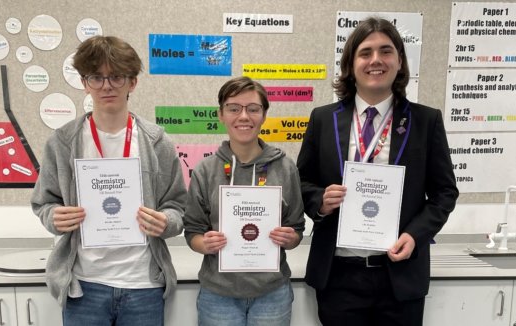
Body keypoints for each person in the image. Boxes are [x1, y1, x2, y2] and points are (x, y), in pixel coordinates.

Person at [296, 17, 459, 326]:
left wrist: (415, 235)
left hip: (399, 275)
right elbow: (301, 181)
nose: (375, 60)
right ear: (351, 63)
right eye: (365, 52)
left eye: (385, 51)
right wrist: (320, 199)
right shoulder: (322, 119)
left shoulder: (426, 121)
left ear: (399, 61)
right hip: (339, 274)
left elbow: (444, 193)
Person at [31, 36, 187, 326]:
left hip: (143, 285)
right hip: (84, 286)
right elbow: (44, 203)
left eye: (116, 76)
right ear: (84, 82)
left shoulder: (156, 142)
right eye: (96, 77)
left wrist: (165, 222)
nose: (106, 86)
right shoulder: (63, 142)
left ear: (132, 82)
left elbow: (178, 207)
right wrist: (54, 217)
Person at [183, 76, 306, 326]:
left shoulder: (285, 167)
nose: (243, 116)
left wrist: (290, 238)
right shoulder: (205, 170)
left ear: (263, 115)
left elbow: (297, 229)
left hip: (272, 293)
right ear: (221, 114)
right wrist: (204, 244)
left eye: (253, 109)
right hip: (218, 294)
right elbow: (193, 231)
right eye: (234, 108)